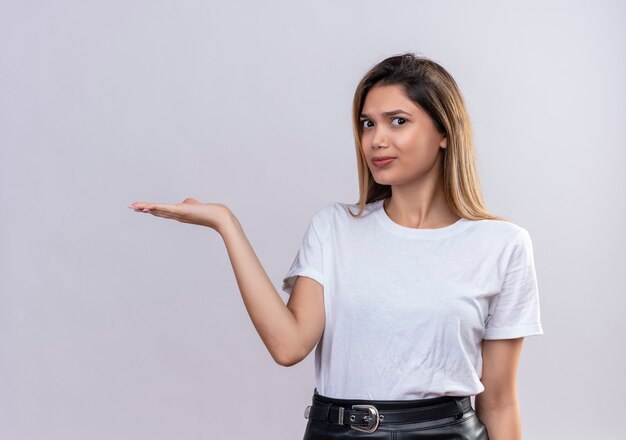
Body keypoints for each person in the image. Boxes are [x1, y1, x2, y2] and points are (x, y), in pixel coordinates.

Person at [128, 53, 543, 440]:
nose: (376, 140)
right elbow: (288, 346)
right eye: (367, 124)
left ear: (444, 134)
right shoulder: (335, 227)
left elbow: (500, 400)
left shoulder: (501, 245)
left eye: (398, 121)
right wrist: (227, 225)